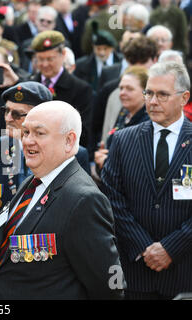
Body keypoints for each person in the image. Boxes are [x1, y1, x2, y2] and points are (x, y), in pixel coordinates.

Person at [0, 100, 124, 299]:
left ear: (69, 141)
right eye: (26, 132)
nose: (27, 141)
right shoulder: (32, 183)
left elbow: (110, 286)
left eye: (39, 133)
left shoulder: (84, 200)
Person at [101, 61, 192, 299]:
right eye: (149, 93)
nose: (152, 101)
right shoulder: (123, 140)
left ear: (184, 98)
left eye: (162, 94)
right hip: (136, 274)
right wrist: (144, 247)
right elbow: (111, 197)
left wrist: (171, 247)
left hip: (184, 274)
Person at [0, 81, 52, 300]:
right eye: (6, 111)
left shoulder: (66, 153)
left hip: (46, 273)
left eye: (18, 114)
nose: (8, 118)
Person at [29, 30, 93, 149]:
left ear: (63, 54)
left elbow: (83, 134)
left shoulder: (81, 89)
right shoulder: (29, 85)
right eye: (40, 59)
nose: (44, 64)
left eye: (50, 59)